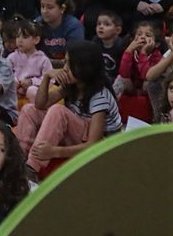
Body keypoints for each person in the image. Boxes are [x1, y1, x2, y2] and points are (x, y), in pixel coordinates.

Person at [13, 40, 122, 178]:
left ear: (85, 68)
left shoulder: (99, 96)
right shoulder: (72, 84)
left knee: (58, 111)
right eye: (65, 62)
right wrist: (47, 77)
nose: (64, 69)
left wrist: (54, 151)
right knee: (29, 110)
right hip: (78, 133)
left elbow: (93, 144)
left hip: (102, 147)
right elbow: (40, 104)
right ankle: (19, 159)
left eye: (70, 64)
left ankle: (31, 168)